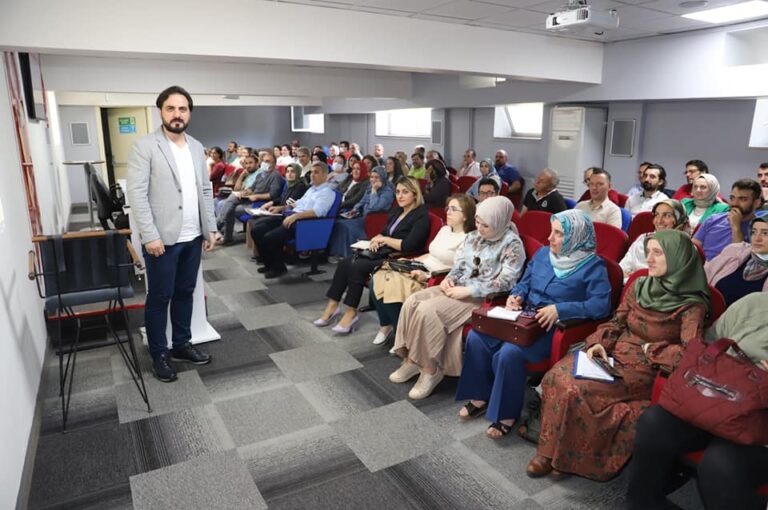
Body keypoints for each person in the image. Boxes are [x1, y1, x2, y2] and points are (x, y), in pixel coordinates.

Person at [527, 230, 710, 481]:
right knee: (555, 376)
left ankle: (563, 458)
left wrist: (653, 349)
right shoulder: (640, 285)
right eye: (648, 252)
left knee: (576, 388)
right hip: (614, 353)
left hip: (647, 367)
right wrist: (598, 344)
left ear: (677, 258)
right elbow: (617, 321)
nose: (649, 259)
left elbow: (692, 354)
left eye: (658, 253)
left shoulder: (692, 305)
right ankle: (549, 451)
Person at [456, 210, 612, 438]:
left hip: (551, 328)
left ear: (576, 237)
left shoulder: (593, 266)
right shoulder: (543, 254)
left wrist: (560, 309)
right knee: (476, 337)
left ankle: (506, 414)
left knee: (509, 353)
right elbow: (524, 282)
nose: (550, 238)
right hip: (523, 317)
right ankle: (481, 396)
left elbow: (601, 306)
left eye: (558, 234)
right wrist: (516, 296)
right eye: (551, 231)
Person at [626, 293, 768, 510]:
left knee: (720, 463)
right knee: (654, 422)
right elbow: (708, 344)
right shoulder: (754, 303)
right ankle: (645, 503)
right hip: (718, 399)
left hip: (759, 425)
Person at [389, 197, 526, 400]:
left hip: (481, 297)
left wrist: (469, 290)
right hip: (458, 288)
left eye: (485, 225)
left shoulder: (512, 244)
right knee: (412, 301)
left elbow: (507, 282)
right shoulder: (473, 236)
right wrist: (449, 279)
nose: (479, 228)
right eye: (477, 222)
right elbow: (460, 265)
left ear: (498, 222)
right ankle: (411, 359)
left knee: (428, 310)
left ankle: (430, 370)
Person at [126, 85, 217, 382]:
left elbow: (205, 190)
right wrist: (149, 235)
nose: (177, 114)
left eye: (182, 109)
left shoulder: (196, 147)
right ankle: (159, 354)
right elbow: (137, 195)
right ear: (161, 112)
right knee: (159, 297)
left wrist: (210, 228)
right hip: (162, 240)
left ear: (189, 113)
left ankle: (181, 344)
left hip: (192, 237)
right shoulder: (145, 146)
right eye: (171, 108)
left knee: (185, 293)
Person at [314, 177, 430, 333]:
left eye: (405, 192)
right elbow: (384, 232)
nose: (400, 196)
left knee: (356, 265)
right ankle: (333, 305)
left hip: (398, 258)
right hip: (383, 252)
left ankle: (351, 312)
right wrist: (376, 240)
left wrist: (385, 240)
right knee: (345, 262)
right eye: (397, 192)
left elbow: (409, 245)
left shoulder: (421, 216)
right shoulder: (398, 211)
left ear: (415, 194)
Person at [369, 194, 474, 345]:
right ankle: (387, 325)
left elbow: (457, 270)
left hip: (434, 277)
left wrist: (427, 275)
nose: (448, 212)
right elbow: (432, 254)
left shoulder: (467, 239)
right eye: (448, 208)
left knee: (390, 284)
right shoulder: (445, 229)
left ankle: (402, 335)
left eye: (453, 209)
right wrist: (412, 260)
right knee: (377, 277)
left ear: (465, 215)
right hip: (421, 265)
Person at [252, 161, 336, 278]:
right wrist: (282, 208)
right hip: (291, 216)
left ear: (325, 175)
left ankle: (278, 268)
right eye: (311, 172)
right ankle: (269, 264)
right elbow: (298, 203)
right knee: (256, 230)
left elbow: (317, 212)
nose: (312, 175)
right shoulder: (312, 189)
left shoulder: (327, 192)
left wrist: (295, 216)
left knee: (269, 237)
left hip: (304, 223)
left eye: (316, 172)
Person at [327, 165, 394, 258]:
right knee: (339, 223)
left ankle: (350, 255)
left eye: (377, 177)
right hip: (363, 216)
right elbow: (362, 201)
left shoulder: (387, 192)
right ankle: (339, 253)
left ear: (382, 178)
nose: (373, 180)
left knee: (347, 227)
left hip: (374, 219)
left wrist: (374, 191)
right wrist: (355, 209)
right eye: (372, 177)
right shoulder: (370, 187)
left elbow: (374, 207)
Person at [216, 153, 283, 245]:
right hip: (251, 199)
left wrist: (257, 196)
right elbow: (252, 189)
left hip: (261, 204)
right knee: (232, 198)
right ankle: (221, 231)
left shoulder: (276, 175)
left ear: (274, 163)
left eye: (268, 161)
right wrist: (243, 193)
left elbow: (273, 195)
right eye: (263, 161)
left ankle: (221, 231)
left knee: (230, 208)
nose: (265, 163)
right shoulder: (261, 174)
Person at [247, 162, 308, 260]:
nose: (289, 174)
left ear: (298, 173)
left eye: (292, 172)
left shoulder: (300, 186)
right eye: (287, 172)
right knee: (256, 226)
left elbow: (290, 204)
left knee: (259, 226)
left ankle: (267, 256)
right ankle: (263, 255)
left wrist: (279, 208)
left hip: (288, 216)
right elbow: (282, 198)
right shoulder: (289, 184)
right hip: (281, 213)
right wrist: (271, 202)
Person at [694, 179, 765, 261]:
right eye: (732, 198)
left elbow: (739, 259)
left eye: (742, 199)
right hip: (703, 266)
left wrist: (736, 227)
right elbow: (692, 247)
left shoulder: (761, 228)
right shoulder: (713, 220)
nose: (735, 203)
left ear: (757, 202)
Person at [705, 216, 768, 306]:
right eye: (753, 232)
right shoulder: (735, 250)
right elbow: (705, 276)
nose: (757, 239)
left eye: (765, 233)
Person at [620, 199, 689, 279]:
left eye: (667, 216)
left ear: (679, 220)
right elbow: (622, 270)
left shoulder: (684, 248)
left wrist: (635, 278)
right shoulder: (643, 239)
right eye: (656, 215)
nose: (659, 221)